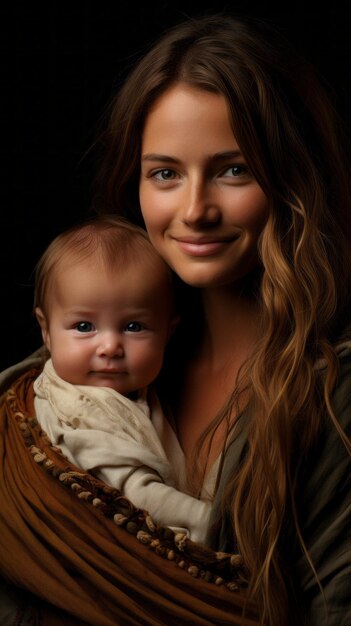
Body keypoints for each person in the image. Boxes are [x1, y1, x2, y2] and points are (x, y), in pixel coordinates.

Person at [0, 12, 350, 626]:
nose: (194, 210)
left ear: (293, 177)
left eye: (233, 170)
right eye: (165, 173)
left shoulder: (332, 393)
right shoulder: (71, 366)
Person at [32, 214, 212, 544]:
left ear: (168, 333)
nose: (111, 347)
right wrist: (210, 521)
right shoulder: (77, 409)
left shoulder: (146, 393)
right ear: (45, 330)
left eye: (134, 327)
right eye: (84, 327)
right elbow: (135, 492)